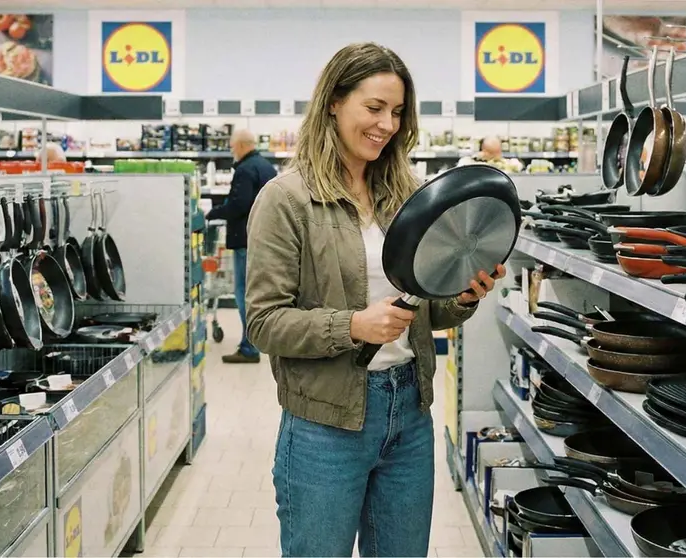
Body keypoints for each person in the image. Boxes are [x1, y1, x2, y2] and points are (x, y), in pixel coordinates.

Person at [245, 42, 504, 558]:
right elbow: (264, 323)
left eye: (398, 112)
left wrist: (464, 296)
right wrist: (352, 327)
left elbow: (425, 308)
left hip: (409, 412)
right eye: (375, 108)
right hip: (325, 425)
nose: (387, 124)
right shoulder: (287, 199)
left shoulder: (407, 194)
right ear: (334, 103)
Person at [208, 128, 276, 364]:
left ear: (240, 146)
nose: (231, 150)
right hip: (263, 239)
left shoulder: (245, 169)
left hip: (246, 239)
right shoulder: (266, 166)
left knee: (243, 292)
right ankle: (256, 341)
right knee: (257, 293)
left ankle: (249, 347)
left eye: (231, 146)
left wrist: (212, 212)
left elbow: (239, 204)